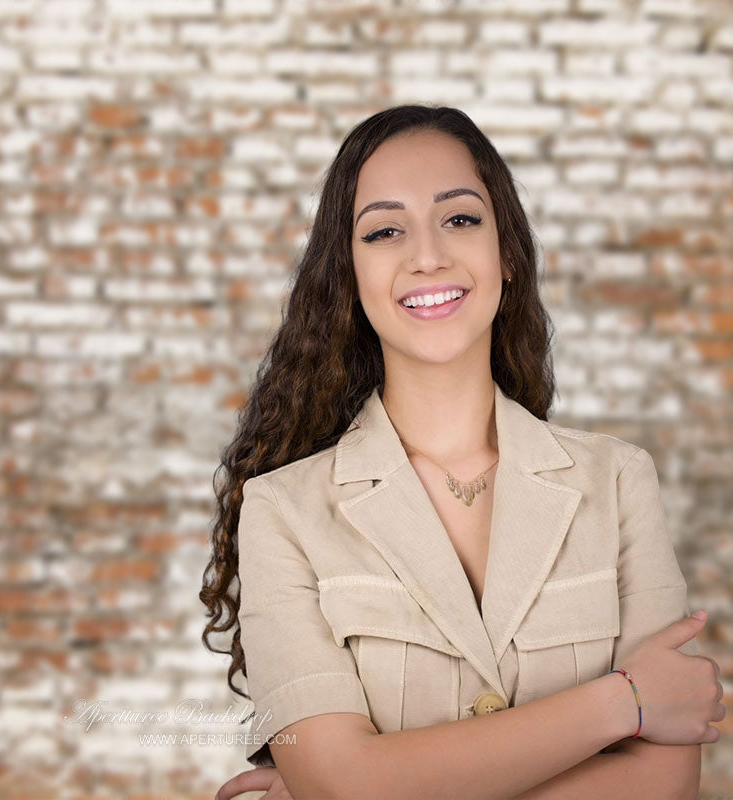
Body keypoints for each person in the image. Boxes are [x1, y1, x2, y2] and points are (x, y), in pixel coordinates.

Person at [201, 104, 725, 800]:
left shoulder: (619, 482)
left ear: (505, 251)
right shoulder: (282, 512)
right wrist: (622, 703)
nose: (427, 255)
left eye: (460, 218)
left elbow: (662, 787)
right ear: (349, 277)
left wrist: (369, 785)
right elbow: (343, 784)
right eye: (385, 231)